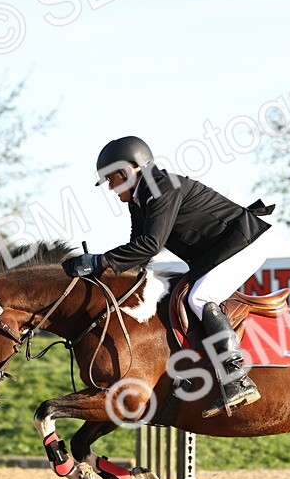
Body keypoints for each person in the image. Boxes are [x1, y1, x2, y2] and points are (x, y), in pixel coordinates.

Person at [61, 136, 273, 418]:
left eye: (111, 179)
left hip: (245, 242)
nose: (111, 187)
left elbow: (151, 244)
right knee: (177, 295)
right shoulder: (140, 199)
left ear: (129, 169)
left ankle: (236, 377)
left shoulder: (161, 187)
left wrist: (99, 261)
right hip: (216, 253)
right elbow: (140, 253)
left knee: (200, 297)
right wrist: (102, 271)